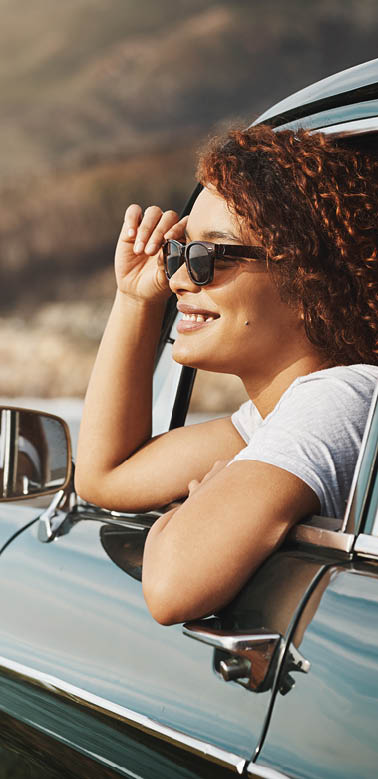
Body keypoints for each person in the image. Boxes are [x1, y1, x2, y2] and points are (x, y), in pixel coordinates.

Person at [75, 125, 378, 625]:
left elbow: (171, 590)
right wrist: (134, 298)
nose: (176, 278)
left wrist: (194, 508)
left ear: (308, 277)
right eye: (179, 252)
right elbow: (105, 476)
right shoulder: (270, 420)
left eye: (209, 256)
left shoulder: (340, 400)